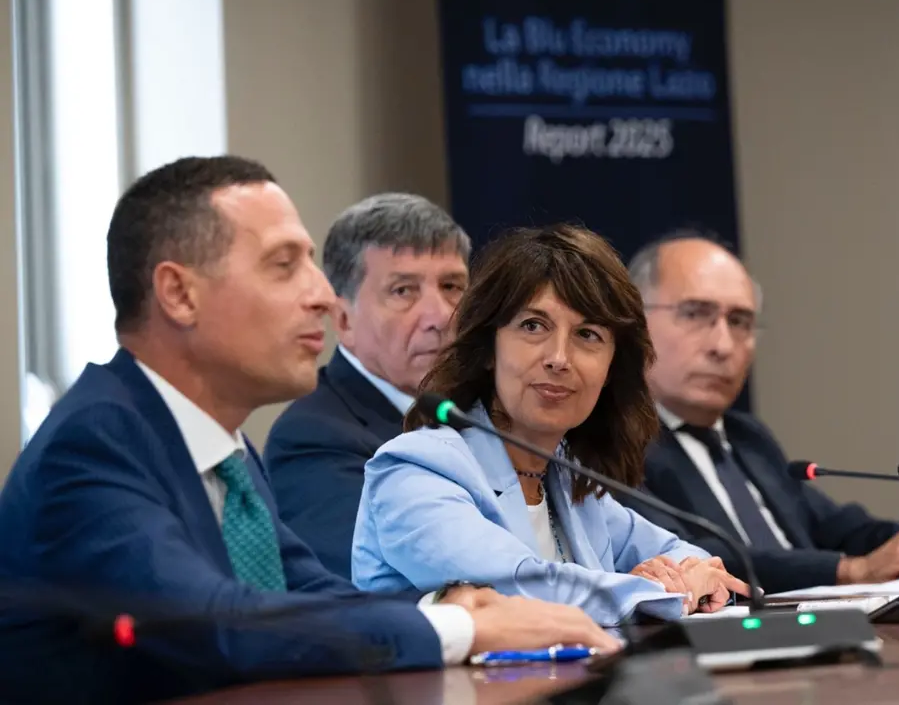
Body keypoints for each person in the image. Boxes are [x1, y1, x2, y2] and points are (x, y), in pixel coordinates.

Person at [0, 157, 617, 704]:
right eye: (284, 265)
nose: (323, 296)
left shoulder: (222, 449)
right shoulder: (94, 443)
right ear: (178, 294)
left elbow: (310, 592)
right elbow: (215, 622)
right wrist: (464, 628)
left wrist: (448, 605)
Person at [352, 224, 750, 626]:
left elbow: (692, 559)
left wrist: (682, 577)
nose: (559, 358)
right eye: (533, 326)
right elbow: (520, 588)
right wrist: (657, 591)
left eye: (587, 334)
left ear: (611, 369)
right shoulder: (416, 469)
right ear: (488, 349)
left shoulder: (566, 480)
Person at [623, 230, 899, 594]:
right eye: (695, 314)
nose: (722, 345)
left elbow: (846, 530)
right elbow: (692, 556)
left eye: (740, 321)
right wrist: (852, 571)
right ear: (634, 323)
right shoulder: (616, 443)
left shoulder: (746, 436)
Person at [266, 193, 470, 578]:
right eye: (403, 290)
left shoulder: (489, 416)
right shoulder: (313, 437)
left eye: (452, 286)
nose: (441, 317)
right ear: (343, 320)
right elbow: (380, 586)